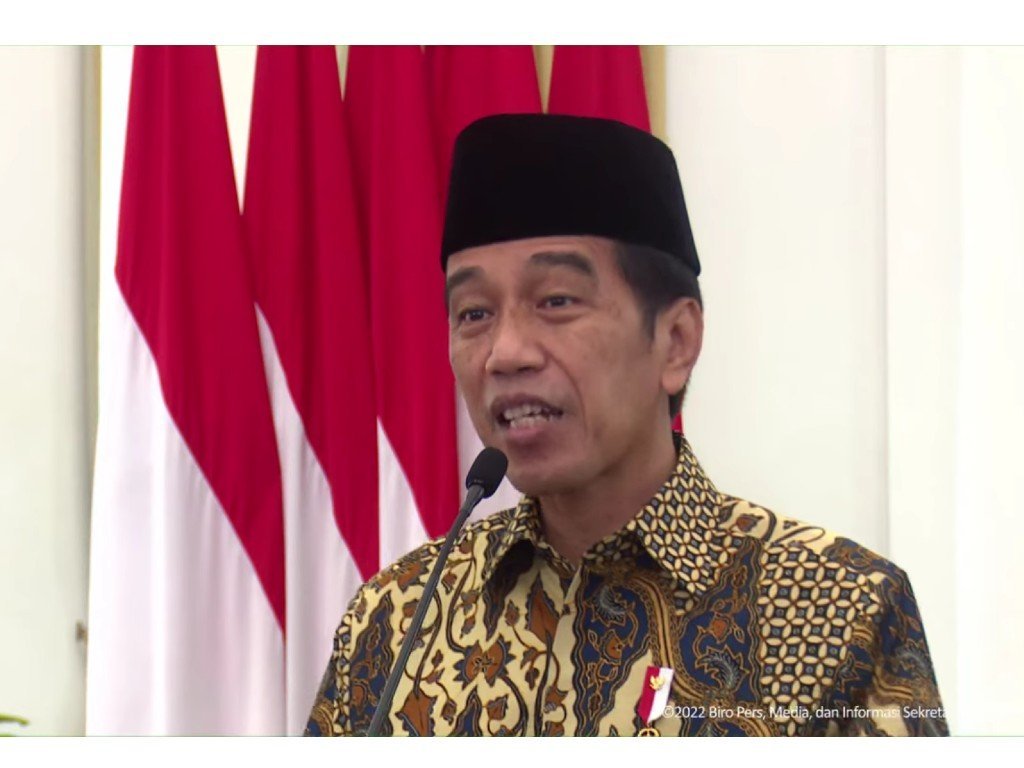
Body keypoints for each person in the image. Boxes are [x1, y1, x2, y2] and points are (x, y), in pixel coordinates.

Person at [305, 113, 948, 737]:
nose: (505, 353)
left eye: (556, 300)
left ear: (676, 342)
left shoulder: (841, 613)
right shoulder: (395, 620)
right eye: (473, 313)